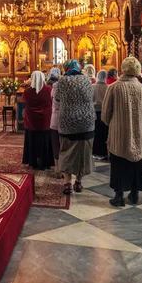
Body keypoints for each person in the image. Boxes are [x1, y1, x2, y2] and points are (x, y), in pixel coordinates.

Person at [102, 56, 142, 207]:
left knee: (119, 162)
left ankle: (119, 196)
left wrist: (114, 123)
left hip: (119, 133)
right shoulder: (141, 88)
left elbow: (105, 114)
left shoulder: (114, 87)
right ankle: (135, 193)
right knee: (136, 162)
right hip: (138, 132)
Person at [57, 60, 96, 194]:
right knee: (83, 152)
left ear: (66, 68)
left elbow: (57, 98)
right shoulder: (86, 80)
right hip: (87, 121)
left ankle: (67, 183)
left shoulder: (62, 81)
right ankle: (78, 182)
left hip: (68, 121)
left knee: (66, 150)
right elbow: (91, 95)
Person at [22, 71, 54, 170]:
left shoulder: (27, 91)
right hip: (45, 120)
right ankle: (46, 162)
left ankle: (33, 161)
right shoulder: (49, 89)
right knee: (45, 141)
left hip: (31, 121)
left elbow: (24, 101)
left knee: (32, 141)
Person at [92, 70, 109, 160]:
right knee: (104, 133)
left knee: (96, 133)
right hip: (105, 113)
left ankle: (95, 152)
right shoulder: (108, 87)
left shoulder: (92, 87)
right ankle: (104, 152)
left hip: (95, 113)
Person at [49, 68, 63, 178]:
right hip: (65, 120)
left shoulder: (53, 90)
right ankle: (63, 168)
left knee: (55, 144)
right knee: (64, 144)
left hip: (54, 120)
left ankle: (57, 167)